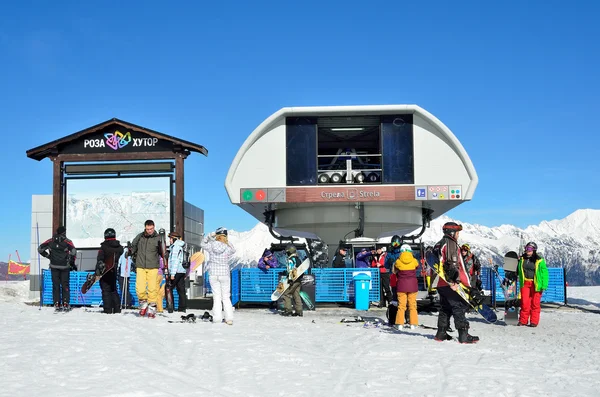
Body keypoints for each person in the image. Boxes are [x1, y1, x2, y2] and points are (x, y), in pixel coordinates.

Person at [433, 222, 479, 344]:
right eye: (458, 232)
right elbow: (454, 265)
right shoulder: (451, 244)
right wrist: (460, 283)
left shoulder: (438, 244)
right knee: (459, 307)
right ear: (452, 233)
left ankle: (441, 333)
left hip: (440, 283)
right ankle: (463, 334)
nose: (458, 235)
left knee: (445, 307)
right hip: (451, 283)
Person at [202, 227, 236, 325]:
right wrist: (227, 241)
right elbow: (234, 250)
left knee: (216, 297)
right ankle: (229, 318)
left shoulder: (211, 246)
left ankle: (217, 318)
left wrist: (209, 236)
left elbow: (202, 243)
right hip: (224, 274)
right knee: (225, 297)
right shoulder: (227, 248)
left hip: (213, 274)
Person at [38, 226, 77, 311]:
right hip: (65, 266)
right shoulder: (67, 241)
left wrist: (48, 256)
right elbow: (74, 251)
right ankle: (66, 302)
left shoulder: (50, 241)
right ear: (64, 232)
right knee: (65, 284)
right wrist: (72, 262)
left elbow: (40, 249)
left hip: (54, 266)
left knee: (55, 285)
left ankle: (57, 303)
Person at [128, 219, 161, 318]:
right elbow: (133, 246)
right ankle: (143, 305)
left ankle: (152, 308)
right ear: (145, 228)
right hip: (141, 265)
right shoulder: (140, 236)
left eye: (151, 229)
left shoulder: (158, 238)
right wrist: (130, 252)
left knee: (152, 288)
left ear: (154, 227)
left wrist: (165, 255)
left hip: (153, 266)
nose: (149, 231)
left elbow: (162, 250)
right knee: (140, 288)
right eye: (147, 229)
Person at [517, 242, 549, 327]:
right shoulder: (522, 259)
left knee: (535, 303)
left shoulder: (539, 260)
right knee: (524, 302)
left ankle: (534, 321)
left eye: (530, 249)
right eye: (527, 248)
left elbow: (544, 273)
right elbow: (518, 270)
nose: (528, 250)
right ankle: (523, 320)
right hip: (525, 283)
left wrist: (544, 285)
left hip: (536, 284)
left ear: (534, 250)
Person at [95, 228, 124, 314]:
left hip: (105, 270)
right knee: (113, 289)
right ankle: (116, 309)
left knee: (105, 290)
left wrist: (97, 270)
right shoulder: (119, 248)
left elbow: (100, 259)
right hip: (114, 270)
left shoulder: (104, 247)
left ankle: (107, 309)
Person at [394, 244, 419, 329]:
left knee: (401, 306)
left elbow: (394, 271)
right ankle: (413, 324)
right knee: (412, 305)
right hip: (412, 286)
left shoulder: (398, 261)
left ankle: (400, 324)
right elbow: (417, 266)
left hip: (401, 286)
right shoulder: (414, 261)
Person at [167, 232, 188, 313]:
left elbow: (175, 261)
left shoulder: (176, 247)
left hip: (176, 271)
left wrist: (172, 274)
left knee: (169, 288)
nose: (170, 240)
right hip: (182, 270)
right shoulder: (182, 246)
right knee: (181, 289)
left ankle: (170, 307)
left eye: (170, 238)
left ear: (174, 239)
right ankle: (182, 308)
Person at [281, 245, 303, 317]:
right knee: (296, 294)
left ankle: (288, 310)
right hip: (298, 280)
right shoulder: (298, 259)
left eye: (287, 252)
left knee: (286, 294)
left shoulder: (291, 259)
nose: (286, 254)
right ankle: (299, 311)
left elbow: (291, 269)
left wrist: (290, 279)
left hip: (293, 279)